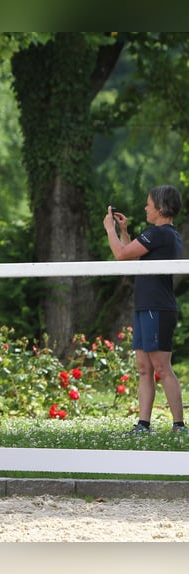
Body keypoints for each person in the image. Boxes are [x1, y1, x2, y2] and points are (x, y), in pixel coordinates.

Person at [103, 184, 187, 434]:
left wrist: (109, 229)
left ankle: (179, 426)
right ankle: (143, 424)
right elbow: (133, 258)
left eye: (148, 204)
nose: (145, 208)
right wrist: (124, 231)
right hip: (146, 306)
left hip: (158, 308)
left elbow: (119, 254)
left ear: (160, 209)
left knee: (162, 367)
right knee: (144, 368)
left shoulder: (160, 233)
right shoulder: (160, 235)